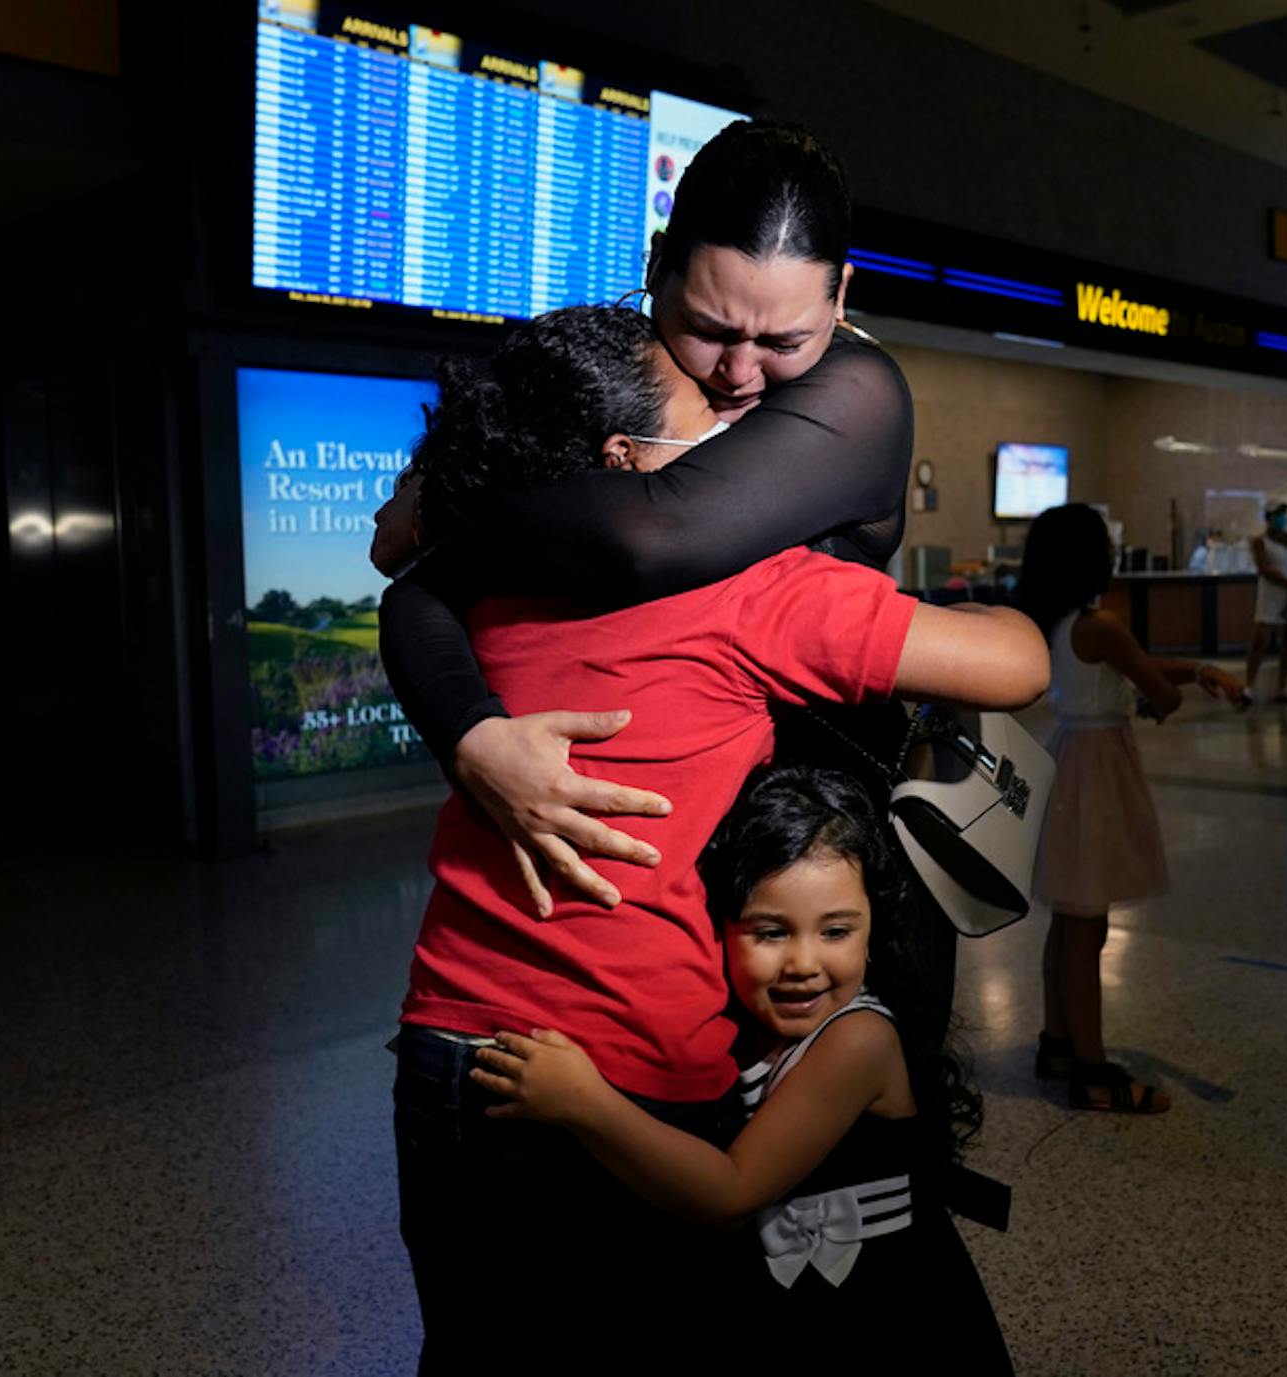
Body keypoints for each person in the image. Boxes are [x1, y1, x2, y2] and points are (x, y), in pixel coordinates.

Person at [386, 304, 1048, 1370]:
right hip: (619, 1071)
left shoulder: (491, 579)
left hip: (447, 1052)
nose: (739, 413)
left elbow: (402, 570)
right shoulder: (746, 589)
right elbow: (1019, 664)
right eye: (705, 401)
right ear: (629, 459)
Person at [377, 120, 912, 918]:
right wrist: (472, 738)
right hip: (639, 881)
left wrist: (453, 486)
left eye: (784, 340)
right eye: (709, 328)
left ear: (840, 297)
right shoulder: (610, 386)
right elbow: (419, 589)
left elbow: (648, 536)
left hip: (812, 871)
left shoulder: (858, 396)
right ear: (656, 262)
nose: (739, 374)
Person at [472, 766, 1013, 1372]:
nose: (803, 963)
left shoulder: (857, 1040)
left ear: (872, 932)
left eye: (835, 931)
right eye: (770, 932)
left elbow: (731, 1192)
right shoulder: (738, 1030)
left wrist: (584, 1103)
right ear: (721, 929)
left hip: (877, 1321)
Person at [1014, 503, 1249, 1113]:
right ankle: (1093, 1073)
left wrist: (1199, 671)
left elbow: (1130, 670)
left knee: (1069, 916)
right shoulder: (1104, 623)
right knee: (1088, 923)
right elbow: (1154, 686)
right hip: (1098, 768)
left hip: (1069, 755)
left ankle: (1058, 1043)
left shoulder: (1060, 620)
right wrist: (1176, 690)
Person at [1246, 502, 1287, 704]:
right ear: (1268, 518)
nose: (1282, 518)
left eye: (1283, 514)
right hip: (1271, 594)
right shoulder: (1260, 542)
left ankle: (1282, 687)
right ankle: (1249, 686)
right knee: (1260, 639)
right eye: (1277, 514)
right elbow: (1264, 568)